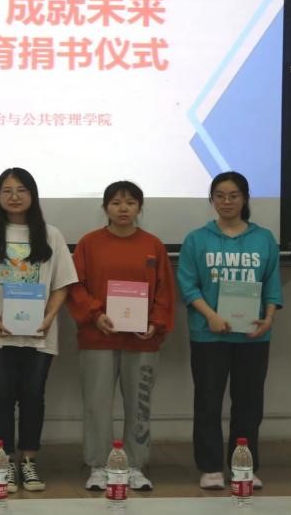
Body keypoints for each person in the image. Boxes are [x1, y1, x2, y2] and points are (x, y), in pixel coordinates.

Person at [0, 167, 77, 493]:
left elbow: (62, 284)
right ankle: (4, 463)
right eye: (7, 190)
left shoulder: (51, 235)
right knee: (1, 396)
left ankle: (28, 461)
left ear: (32, 195)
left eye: (21, 190)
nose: (14, 196)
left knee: (33, 396)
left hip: (39, 334)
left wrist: (49, 317)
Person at [66, 181, 175, 492]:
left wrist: (155, 323)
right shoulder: (89, 243)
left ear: (140, 207)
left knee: (139, 405)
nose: (123, 208)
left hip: (142, 341)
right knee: (97, 405)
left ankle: (135, 465)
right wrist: (95, 314)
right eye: (115, 203)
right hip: (98, 338)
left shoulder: (153, 245)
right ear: (105, 208)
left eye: (130, 202)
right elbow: (75, 287)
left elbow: (165, 291)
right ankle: (99, 465)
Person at [177, 171, 282, 490]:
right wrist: (210, 316)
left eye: (233, 195)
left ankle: (243, 465)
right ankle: (210, 467)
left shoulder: (264, 238)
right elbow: (188, 285)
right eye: (220, 195)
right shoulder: (197, 239)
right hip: (209, 334)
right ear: (212, 200)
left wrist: (268, 317)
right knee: (207, 401)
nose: (226, 201)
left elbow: (272, 284)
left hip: (253, 335)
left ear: (245, 198)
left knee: (249, 405)